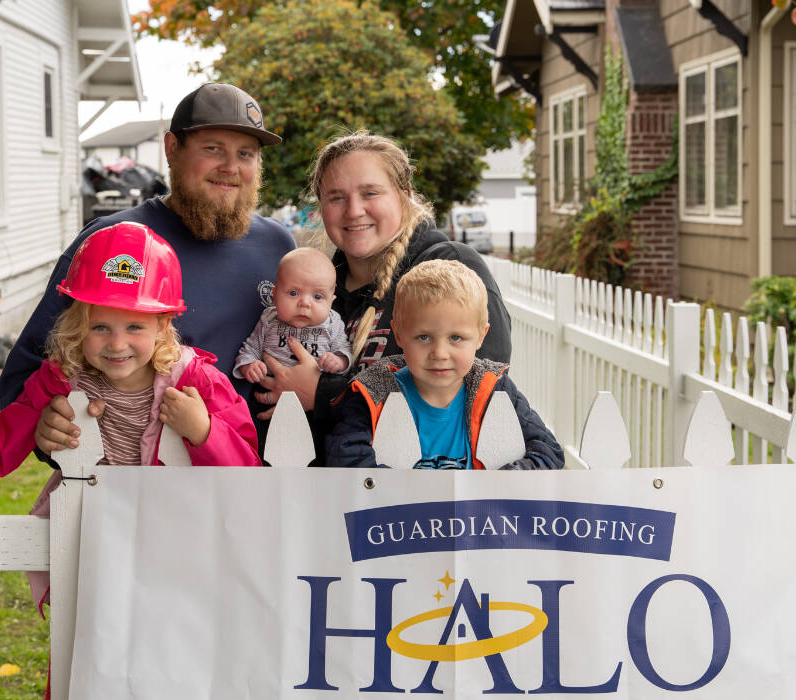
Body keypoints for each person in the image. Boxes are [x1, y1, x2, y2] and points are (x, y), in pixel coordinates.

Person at [0, 221, 262, 700]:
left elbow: (248, 478)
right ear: (76, 325)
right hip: (89, 550)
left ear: (164, 324)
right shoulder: (57, 380)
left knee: (175, 669)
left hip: (181, 560)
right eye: (99, 326)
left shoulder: (197, 380)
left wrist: (203, 430)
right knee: (82, 666)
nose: (116, 342)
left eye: (136, 325)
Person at [0, 83, 296, 455]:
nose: (231, 168)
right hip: (128, 484)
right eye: (212, 149)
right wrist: (50, 424)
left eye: (246, 154)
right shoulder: (111, 242)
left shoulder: (279, 248)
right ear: (172, 149)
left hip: (260, 475)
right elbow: (24, 381)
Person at [254, 131, 513, 449]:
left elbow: (476, 393)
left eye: (370, 193)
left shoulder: (448, 268)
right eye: (336, 197)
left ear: (403, 194)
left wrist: (322, 394)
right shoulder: (318, 290)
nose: (353, 210)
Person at [325, 259, 562, 470]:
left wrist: (503, 482)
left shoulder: (494, 389)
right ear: (398, 334)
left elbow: (548, 451)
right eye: (424, 337)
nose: (439, 353)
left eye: (456, 338)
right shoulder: (373, 392)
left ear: (481, 336)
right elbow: (345, 457)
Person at [233, 247, 351, 382]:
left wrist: (339, 362)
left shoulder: (332, 322)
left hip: (317, 394)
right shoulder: (269, 318)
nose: (305, 303)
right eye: (293, 293)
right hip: (270, 391)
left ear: (331, 302)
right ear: (274, 295)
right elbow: (251, 349)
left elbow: (344, 350)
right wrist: (249, 366)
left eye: (317, 296)